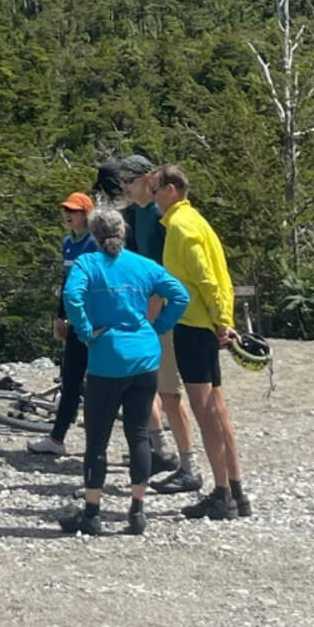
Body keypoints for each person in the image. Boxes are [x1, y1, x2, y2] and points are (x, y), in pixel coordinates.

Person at [59, 206, 189, 538]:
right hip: (145, 356)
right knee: (138, 434)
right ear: (123, 232)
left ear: (95, 234)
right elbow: (180, 295)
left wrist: (86, 331)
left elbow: (72, 296)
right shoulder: (144, 265)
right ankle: (137, 510)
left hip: (107, 358)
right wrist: (158, 325)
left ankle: (92, 511)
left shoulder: (89, 263)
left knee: (97, 439)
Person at [151, 167, 251, 520]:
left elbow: (206, 277)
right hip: (202, 322)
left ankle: (222, 494)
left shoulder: (182, 226)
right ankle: (237, 492)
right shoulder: (196, 220)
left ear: (173, 189)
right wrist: (223, 318)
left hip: (194, 325)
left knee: (206, 412)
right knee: (218, 410)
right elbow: (219, 275)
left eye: (155, 188)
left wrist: (222, 321)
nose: (152, 195)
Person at [118, 153, 199, 495]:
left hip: (162, 309)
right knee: (143, 384)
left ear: (148, 179)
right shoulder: (135, 214)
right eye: (121, 180)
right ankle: (162, 451)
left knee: (169, 390)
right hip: (143, 308)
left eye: (129, 179)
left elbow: (166, 269)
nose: (124, 186)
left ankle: (188, 465)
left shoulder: (158, 215)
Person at [31, 192, 96, 458]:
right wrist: (60, 316)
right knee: (70, 379)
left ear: (87, 214)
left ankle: (96, 442)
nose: (69, 214)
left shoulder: (94, 243)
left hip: (93, 319)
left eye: (75, 211)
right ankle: (57, 438)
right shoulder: (68, 243)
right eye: (66, 210)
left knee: (97, 382)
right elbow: (67, 284)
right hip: (74, 320)